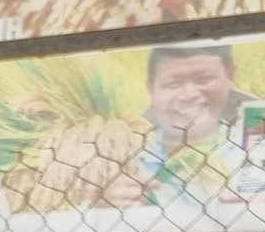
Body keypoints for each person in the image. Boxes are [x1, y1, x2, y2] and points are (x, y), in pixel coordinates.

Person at [102, 45, 249, 208]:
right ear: (151, 89)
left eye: (203, 80)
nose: (189, 95)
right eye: (173, 84)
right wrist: (102, 211)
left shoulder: (253, 155)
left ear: (230, 76)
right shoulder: (123, 161)